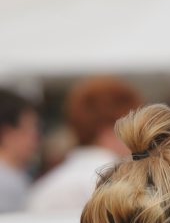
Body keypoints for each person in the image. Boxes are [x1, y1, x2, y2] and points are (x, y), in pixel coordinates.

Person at [28, 75, 142, 212]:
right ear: (113, 129)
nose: (140, 136)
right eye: (136, 126)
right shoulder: (124, 181)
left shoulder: (43, 187)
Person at [0, 88, 39, 213]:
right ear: (7, 133)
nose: (36, 138)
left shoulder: (14, 178)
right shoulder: (8, 183)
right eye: (29, 129)